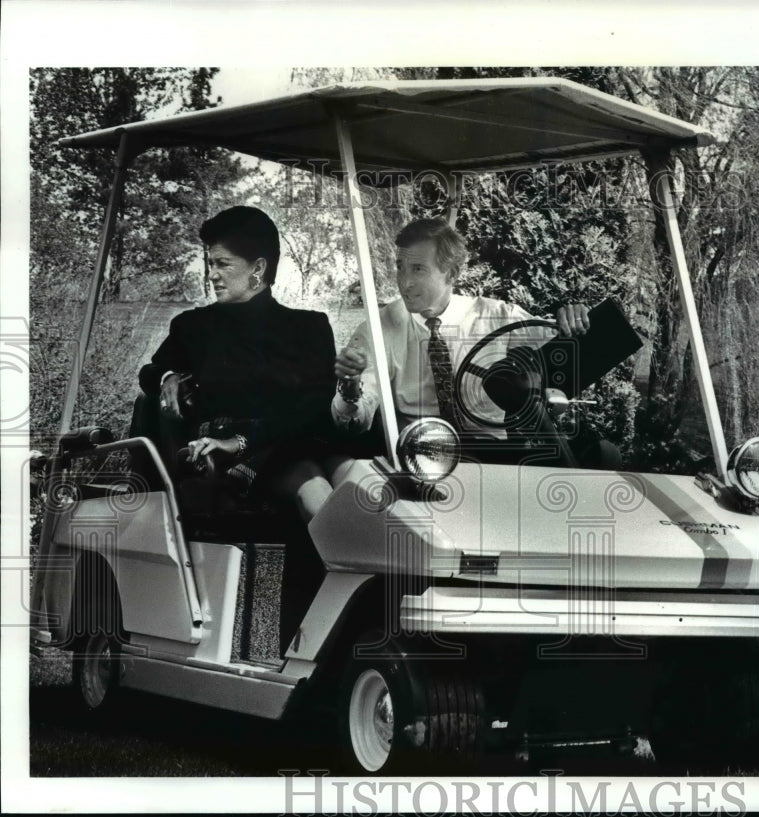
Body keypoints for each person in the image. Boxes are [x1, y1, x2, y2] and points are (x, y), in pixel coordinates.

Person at [135, 205, 339, 651]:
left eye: (222, 264)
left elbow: (313, 408)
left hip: (279, 448)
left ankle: (330, 631)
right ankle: (240, 633)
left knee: (321, 500)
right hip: (210, 455)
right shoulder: (193, 326)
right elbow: (152, 371)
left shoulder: (308, 328)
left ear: (258, 269)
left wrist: (243, 441)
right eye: (210, 263)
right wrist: (167, 378)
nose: (211, 274)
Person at [331, 217, 591, 459]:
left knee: (598, 455)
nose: (405, 282)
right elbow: (354, 423)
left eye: (418, 269)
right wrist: (350, 389)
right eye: (401, 267)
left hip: (497, 455)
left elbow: (566, 349)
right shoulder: (377, 329)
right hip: (423, 457)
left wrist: (576, 320)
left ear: (452, 273)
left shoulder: (498, 317)